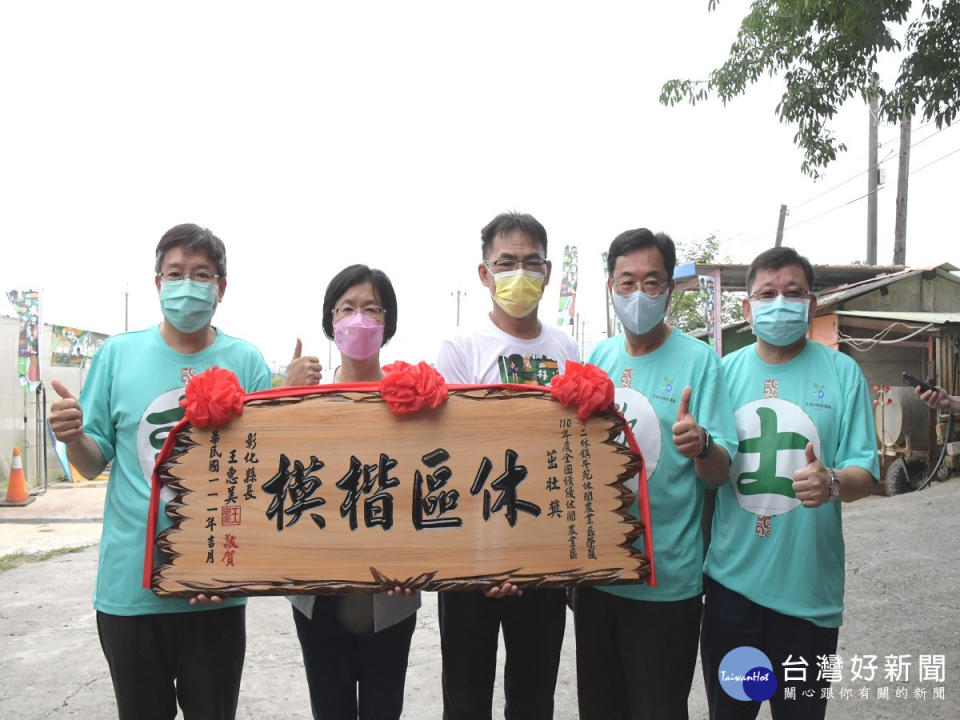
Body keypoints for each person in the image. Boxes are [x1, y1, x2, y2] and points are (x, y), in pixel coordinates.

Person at [48, 224, 272, 720]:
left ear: (222, 287)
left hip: (213, 591)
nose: (188, 284)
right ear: (157, 284)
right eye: (176, 273)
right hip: (131, 591)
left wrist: (236, 575)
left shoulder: (247, 362)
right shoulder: (117, 355)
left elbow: (259, 484)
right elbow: (91, 464)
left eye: (202, 274)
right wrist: (74, 437)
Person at [701, 247, 880, 720]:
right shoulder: (722, 374)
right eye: (767, 293)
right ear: (747, 307)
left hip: (808, 599)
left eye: (792, 293)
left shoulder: (843, 374)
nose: (779, 302)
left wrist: (834, 481)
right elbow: (709, 471)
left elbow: (867, 471)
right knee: (733, 713)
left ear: (811, 304)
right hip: (732, 594)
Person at [575, 228, 738, 719]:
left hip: (666, 581)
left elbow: (718, 473)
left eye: (652, 282)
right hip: (600, 577)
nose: (639, 294)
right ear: (610, 287)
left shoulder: (700, 361)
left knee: (658, 707)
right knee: (601, 708)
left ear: (669, 288)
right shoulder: (598, 360)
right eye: (627, 282)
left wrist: (702, 444)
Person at [435, 211, 578, 720]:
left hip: (542, 559)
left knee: (534, 697)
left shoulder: (567, 350)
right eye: (506, 262)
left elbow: (573, 455)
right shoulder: (458, 350)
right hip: (471, 563)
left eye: (530, 262)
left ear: (548, 270)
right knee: (467, 698)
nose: (520, 272)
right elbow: (442, 462)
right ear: (484, 273)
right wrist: (481, 560)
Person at [285, 264, 419, 720]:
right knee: (331, 709)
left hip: (392, 595)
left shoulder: (414, 404)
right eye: (346, 308)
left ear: (388, 323)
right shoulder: (305, 399)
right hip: (317, 593)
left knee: (384, 709)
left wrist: (420, 565)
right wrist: (285, 398)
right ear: (330, 321)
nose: (358, 319)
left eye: (371, 309)